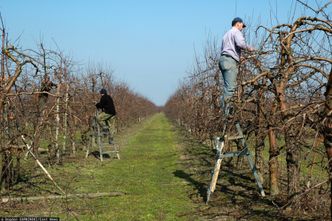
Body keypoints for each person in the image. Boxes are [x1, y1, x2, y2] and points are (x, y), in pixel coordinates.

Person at [219, 17, 254, 115]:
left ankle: (225, 109)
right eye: (242, 25)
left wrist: (239, 56)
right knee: (231, 87)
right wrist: (249, 48)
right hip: (230, 61)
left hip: (223, 60)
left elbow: (227, 49)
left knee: (227, 87)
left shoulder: (226, 34)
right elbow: (240, 43)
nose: (242, 28)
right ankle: (226, 113)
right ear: (238, 24)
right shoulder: (236, 32)